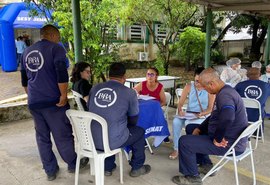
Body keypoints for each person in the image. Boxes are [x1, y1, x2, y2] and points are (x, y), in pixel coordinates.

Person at [20, 24, 88, 181]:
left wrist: (32, 96)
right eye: (58, 36)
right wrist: (63, 95)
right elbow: (61, 74)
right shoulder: (56, 49)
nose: (59, 39)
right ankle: (72, 163)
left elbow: (24, 80)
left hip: (35, 102)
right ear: (51, 35)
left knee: (42, 137)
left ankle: (50, 170)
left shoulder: (26, 52)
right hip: (53, 102)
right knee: (63, 134)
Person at [172, 68, 248, 185]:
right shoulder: (224, 90)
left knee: (184, 142)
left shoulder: (225, 96)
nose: (204, 90)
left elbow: (228, 117)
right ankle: (205, 164)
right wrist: (200, 128)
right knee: (191, 128)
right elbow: (214, 116)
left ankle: (192, 177)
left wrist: (218, 138)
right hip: (232, 138)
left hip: (229, 144)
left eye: (205, 87)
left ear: (211, 84)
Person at [88, 62, 151, 177]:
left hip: (90, 139)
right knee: (139, 131)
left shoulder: (95, 88)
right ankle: (137, 167)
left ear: (108, 75)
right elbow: (133, 119)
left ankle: (108, 167)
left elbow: (91, 110)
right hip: (112, 140)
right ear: (124, 77)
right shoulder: (129, 93)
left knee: (111, 127)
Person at [169, 67, 215, 160]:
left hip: (202, 116)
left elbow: (210, 108)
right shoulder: (189, 86)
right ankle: (176, 148)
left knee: (189, 125)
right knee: (176, 122)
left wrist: (202, 114)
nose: (197, 84)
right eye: (196, 81)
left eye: (199, 81)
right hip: (189, 114)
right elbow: (180, 103)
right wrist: (180, 109)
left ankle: (191, 150)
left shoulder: (210, 89)